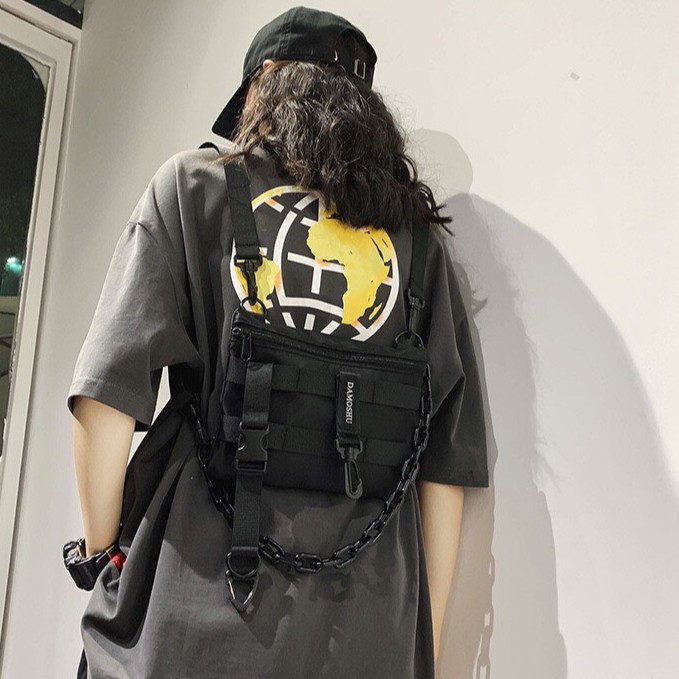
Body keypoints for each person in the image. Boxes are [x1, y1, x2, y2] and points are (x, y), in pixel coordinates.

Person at [67, 6, 490, 678]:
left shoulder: (194, 188)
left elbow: (105, 397)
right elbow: (446, 464)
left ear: (264, 82)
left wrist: (100, 557)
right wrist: (422, 646)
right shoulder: (418, 244)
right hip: (367, 636)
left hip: (192, 613)